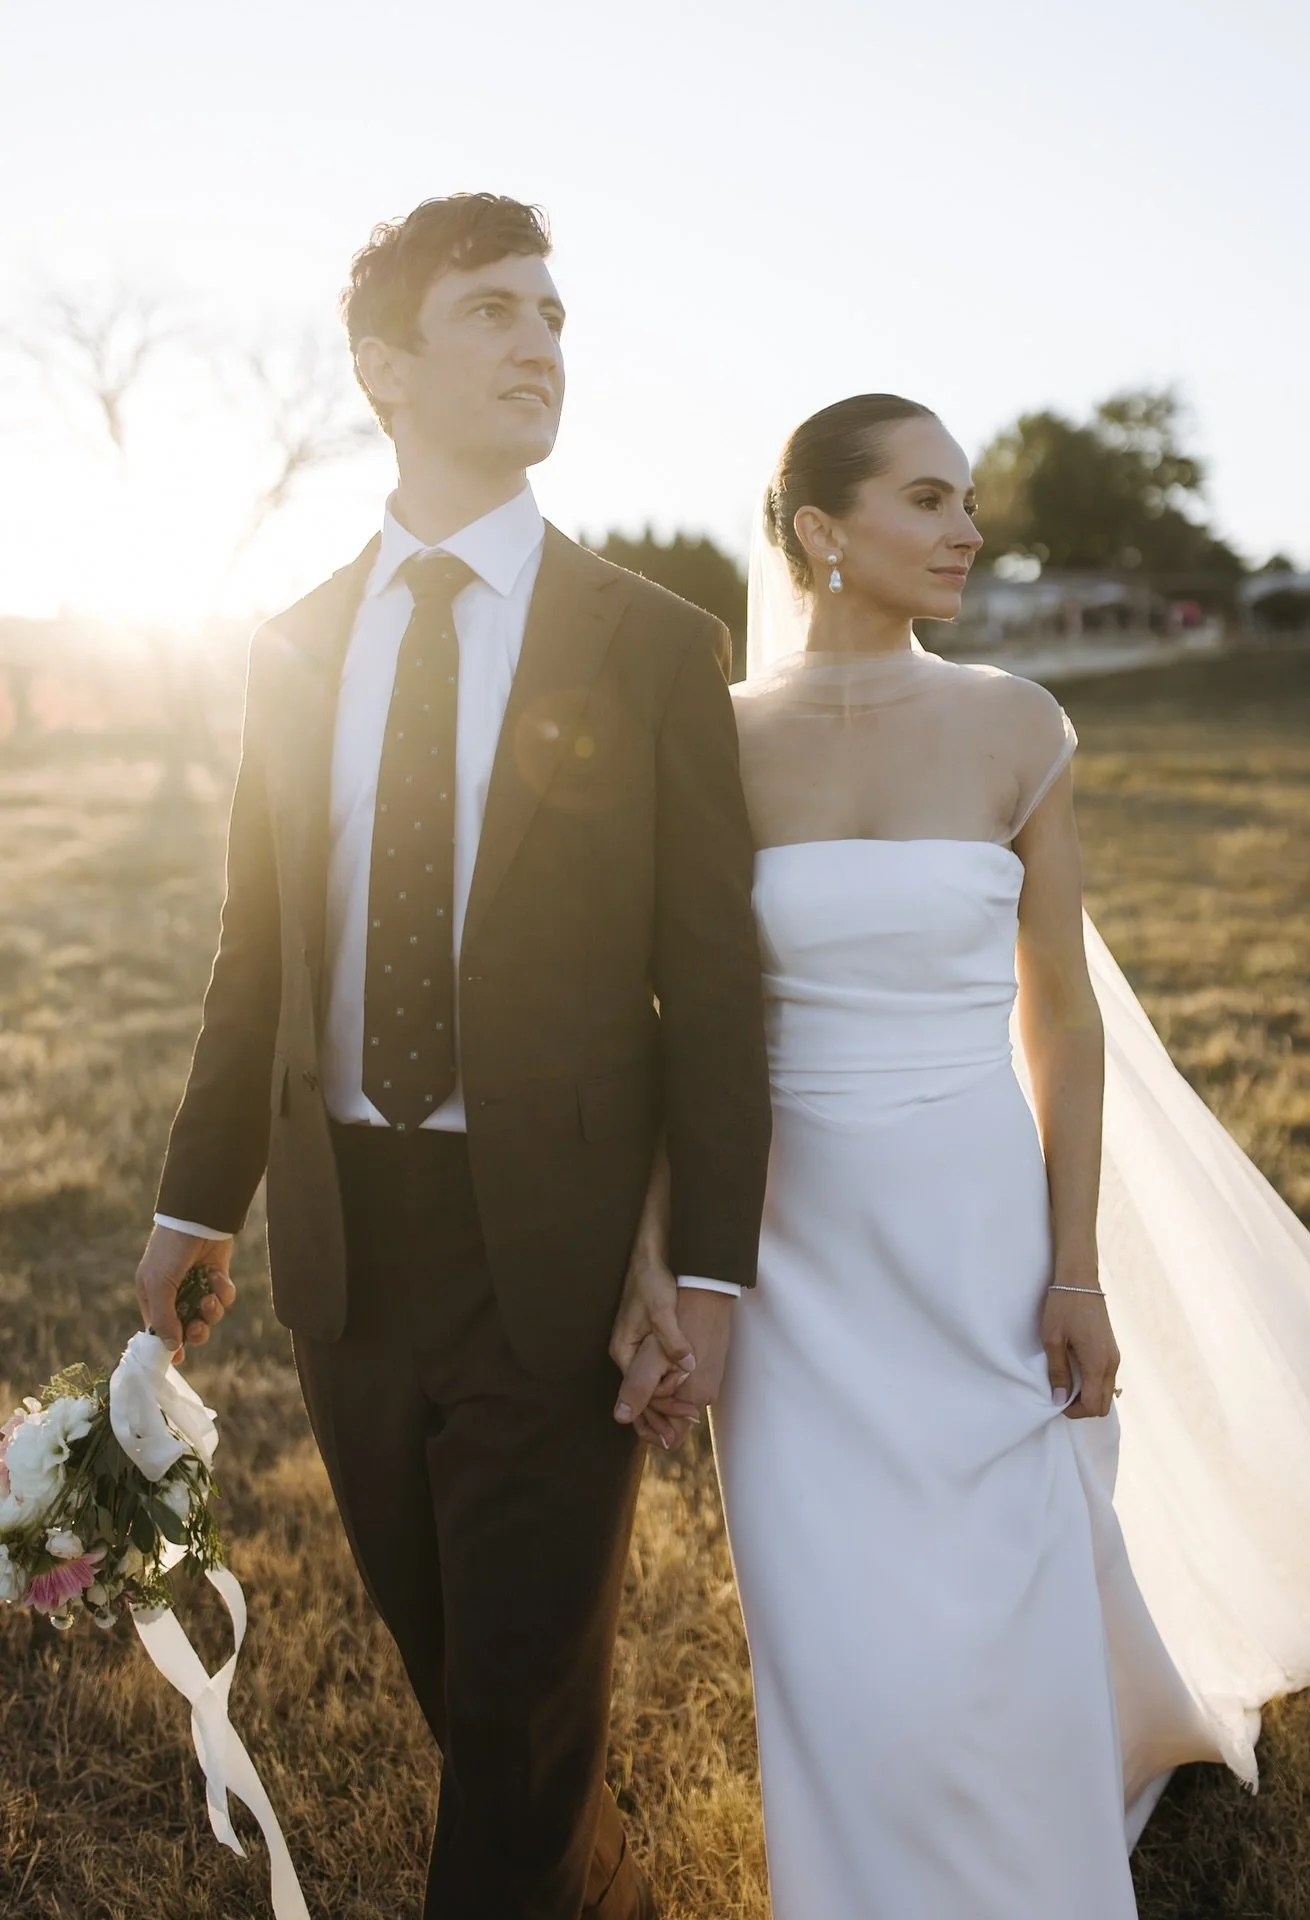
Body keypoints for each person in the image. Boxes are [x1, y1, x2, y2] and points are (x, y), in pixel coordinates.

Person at [616, 394, 1310, 1918]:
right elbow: (683, 1036)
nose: (970, 533)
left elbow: (1060, 1015)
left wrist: (1078, 1269)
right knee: (829, 1606)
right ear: (821, 533)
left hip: (975, 1220)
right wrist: (667, 1252)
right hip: (788, 1241)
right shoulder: (713, 747)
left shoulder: (1014, 722)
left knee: (1004, 1572)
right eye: (930, 502)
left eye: (968, 501)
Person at [133, 192, 772, 1920]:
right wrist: (198, 1204)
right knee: (476, 1699)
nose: (541, 345)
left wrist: (706, 1266)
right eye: (494, 312)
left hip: (553, 1255)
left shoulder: (649, 645)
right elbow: (254, 958)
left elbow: (715, 987)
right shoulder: (293, 648)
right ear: (383, 369)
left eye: (554, 317)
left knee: (513, 1710)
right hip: (350, 1253)